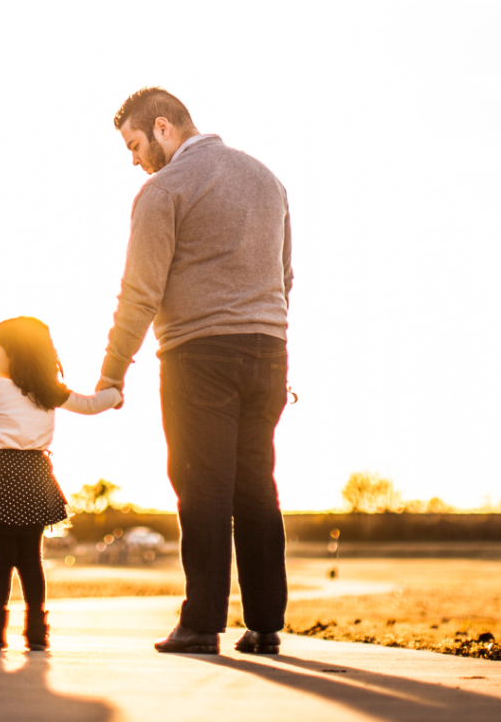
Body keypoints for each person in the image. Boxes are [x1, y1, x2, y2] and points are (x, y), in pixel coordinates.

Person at [96, 87, 292, 656]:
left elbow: (140, 293)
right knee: (256, 485)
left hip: (198, 355)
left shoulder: (164, 189)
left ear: (162, 127)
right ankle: (265, 625)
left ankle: (201, 624)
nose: (134, 160)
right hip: (268, 351)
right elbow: (285, 275)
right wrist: (268, 332)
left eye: (134, 145)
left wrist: (112, 374)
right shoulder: (267, 179)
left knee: (202, 488)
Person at [0, 316, 120, 651]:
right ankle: (37, 631)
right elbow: (89, 405)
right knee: (31, 558)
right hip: (35, 477)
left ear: (13, 353)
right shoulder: (47, 391)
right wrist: (114, 395)